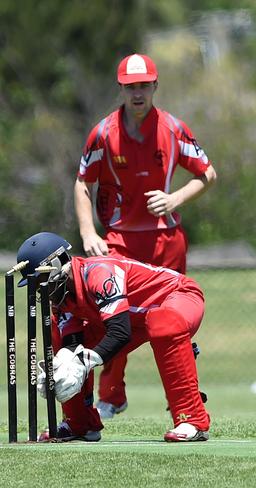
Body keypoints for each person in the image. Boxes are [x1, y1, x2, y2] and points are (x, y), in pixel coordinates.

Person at [74, 53, 217, 419]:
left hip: (166, 240)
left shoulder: (173, 128)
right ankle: (111, 395)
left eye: (143, 86)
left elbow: (207, 174)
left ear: (155, 86)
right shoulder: (103, 133)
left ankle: (182, 404)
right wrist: (89, 231)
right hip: (119, 240)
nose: (137, 93)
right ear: (121, 89)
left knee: (172, 322)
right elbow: (83, 182)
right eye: (130, 87)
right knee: (113, 320)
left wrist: (175, 198)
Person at [16, 231, 210, 442]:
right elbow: (73, 343)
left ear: (56, 265)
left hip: (178, 296)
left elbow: (120, 333)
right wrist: (63, 367)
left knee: (162, 321)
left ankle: (192, 420)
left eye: (40, 280)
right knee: (61, 339)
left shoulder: (100, 272)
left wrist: (83, 363)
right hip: (133, 318)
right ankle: (79, 424)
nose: (40, 289)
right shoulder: (62, 298)